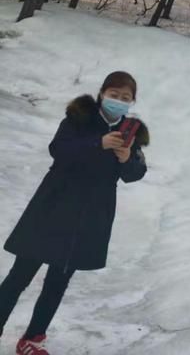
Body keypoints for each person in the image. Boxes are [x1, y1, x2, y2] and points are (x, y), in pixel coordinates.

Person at [0, 71, 149, 355]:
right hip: (52, 208)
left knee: (57, 282)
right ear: (102, 93)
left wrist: (128, 159)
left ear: (132, 102)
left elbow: (136, 173)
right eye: (114, 95)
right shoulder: (79, 118)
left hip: (89, 218)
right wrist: (98, 144)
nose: (118, 101)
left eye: (125, 98)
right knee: (19, 276)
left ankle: (32, 339)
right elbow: (59, 149)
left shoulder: (132, 131)